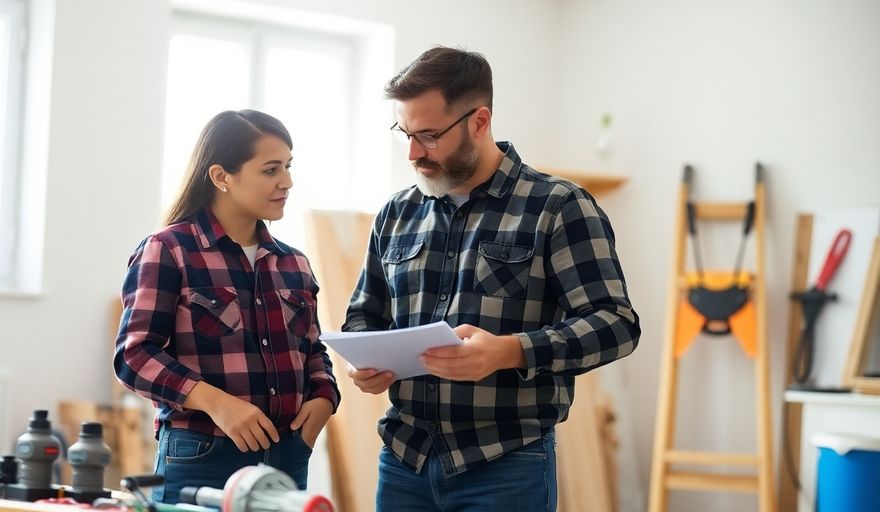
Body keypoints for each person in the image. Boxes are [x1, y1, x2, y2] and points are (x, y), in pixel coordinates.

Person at [343, 46, 641, 511]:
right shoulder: (397, 213)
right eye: (404, 133)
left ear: (479, 122)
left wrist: (509, 352)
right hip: (404, 463)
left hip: (506, 467)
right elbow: (365, 313)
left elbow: (616, 325)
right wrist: (364, 357)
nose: (413, 154)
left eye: (428, 135)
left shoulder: (558, 206)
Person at [114, 110, 340, 504]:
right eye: (270, 170)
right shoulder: (167, 250)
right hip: (203, 455)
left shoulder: (294, 263)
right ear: (221, 177)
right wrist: (217, 403)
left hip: (287, 457)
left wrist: (324, 398)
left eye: (288, 167)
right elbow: (134, 356)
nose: (287, 182)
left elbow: (313, 351)